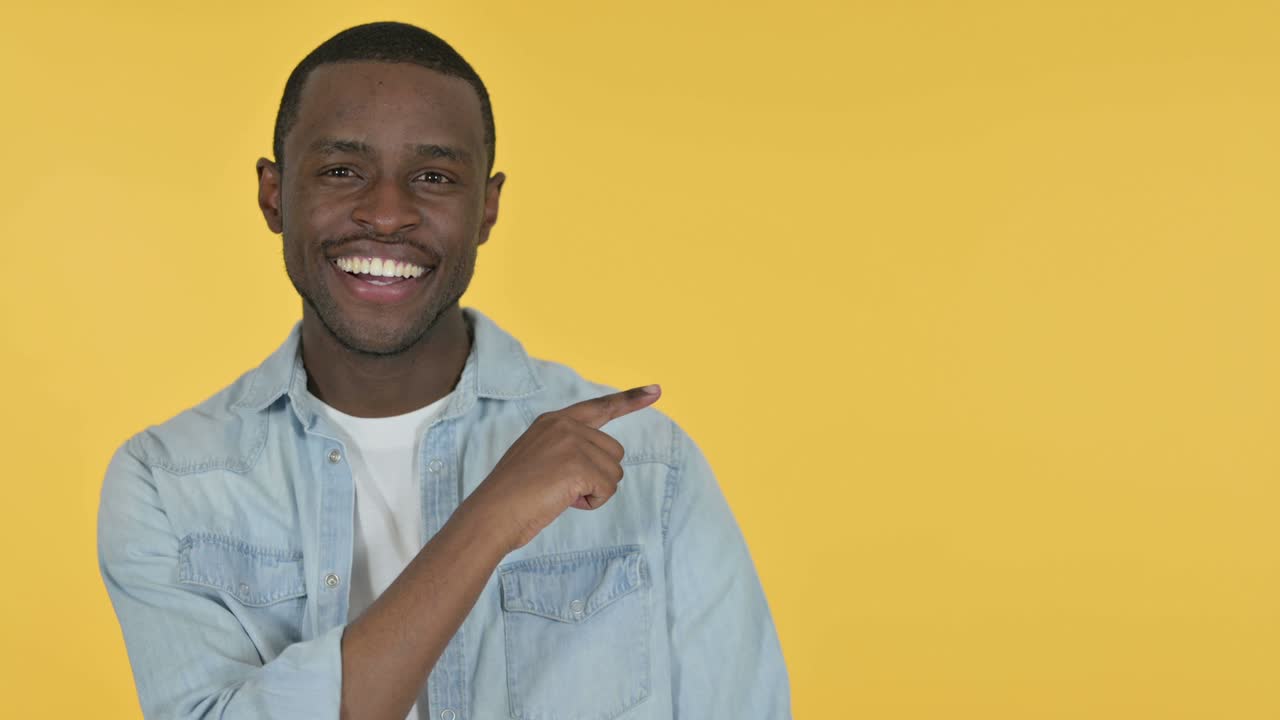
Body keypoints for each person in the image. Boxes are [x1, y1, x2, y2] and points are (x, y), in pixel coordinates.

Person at [97, 21, 789, 720]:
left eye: (434, 177)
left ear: (487, 208)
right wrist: (491, 517)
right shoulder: (168, 482)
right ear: (274, 195)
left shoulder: (647, 466)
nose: (388, 214)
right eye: (342, 171)